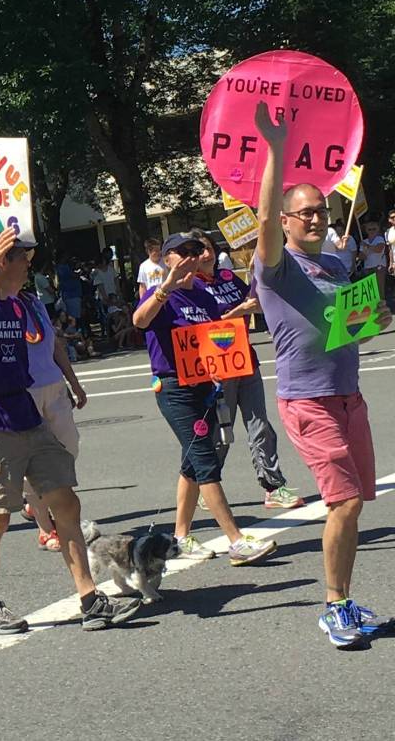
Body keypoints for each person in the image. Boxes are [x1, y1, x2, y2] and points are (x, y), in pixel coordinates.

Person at [0, 229, 140, 634]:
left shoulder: (17, 305)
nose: (28, 265)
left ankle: (90, 600)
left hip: (27, 414)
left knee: (65, 503)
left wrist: (69, 382)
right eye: (21, 258)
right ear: (1, 261)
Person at [252, 103, 392, 648]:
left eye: (321, 211)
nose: (315, 218)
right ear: (287, 221)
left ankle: (346, 600)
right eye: (304, 212)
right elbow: (263, 222)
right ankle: (334, 607)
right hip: (308, 401)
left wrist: (374, 320)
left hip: (347, 397)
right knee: (344, 502)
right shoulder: (275, 267)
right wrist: (275, 148)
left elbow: (347, 331)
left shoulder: (334, 264)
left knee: (355, 505)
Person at [132, 232, 277, 566]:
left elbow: (214, 337)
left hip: (203, 387)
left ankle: (180, 537)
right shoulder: (159, 294)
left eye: (195, 251)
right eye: (181, 251)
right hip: (174, 388)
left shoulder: (204, 296)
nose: (190, 257)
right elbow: (140, 321)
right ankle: (236, 541)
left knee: (191, 463)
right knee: (204, 458)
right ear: (166, 258)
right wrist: (166, 287)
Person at [193, 233, 304, 510]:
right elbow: (201, 326)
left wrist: (257, 273)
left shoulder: (228, 278)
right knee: (221, 431)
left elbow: (256, 298)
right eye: (200, 250)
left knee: (260, 425)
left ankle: (273, 485)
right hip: (217, 368)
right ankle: (207, 484)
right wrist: (239, 311)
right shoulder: (192, 286)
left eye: (209, 248)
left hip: (245, 360)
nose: (207, 254)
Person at [16, 286, 87, 552]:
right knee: (31, 458)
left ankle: (40, 503)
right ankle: (46, 528)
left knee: (69, 447)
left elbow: (54, 345)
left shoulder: (33, 302)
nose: (25, 268)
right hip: (24, 391)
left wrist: (73, 383)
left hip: (53, 386)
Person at [359, 218, 387, 299]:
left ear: (378, 229)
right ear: (366, 230)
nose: (372, 231)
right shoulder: (364, 241)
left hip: (379, 267)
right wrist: (364, 252)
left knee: (380, 290)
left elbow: (379, 249)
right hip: (368, 268)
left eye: (374, 229)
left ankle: (383, 305)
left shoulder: (380, 239)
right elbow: (361, 257)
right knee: (371, 291)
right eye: (369, 229)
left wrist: (367, 246)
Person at [54, 252, 83, 320]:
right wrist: (80, 272)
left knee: (74, 316)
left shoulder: (65, 267)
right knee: (74, 317)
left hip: (72, 295)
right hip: (71, 295)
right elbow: (74, 275)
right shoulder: (62, 268)